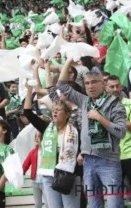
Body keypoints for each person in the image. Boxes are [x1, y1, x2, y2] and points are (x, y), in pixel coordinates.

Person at [57, 58, 127, 208]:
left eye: (94, 82)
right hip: (88, 160)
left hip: (109, 161)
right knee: (94, 205)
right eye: (87, 83)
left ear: (103, 84)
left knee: (114, 204)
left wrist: (100, 118)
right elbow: (61, 85)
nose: (90, 86)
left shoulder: (115, 104)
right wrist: (68, 61)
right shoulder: (84, 101)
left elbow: (121, 132)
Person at [24, 79, 81, 208]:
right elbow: (27, 112)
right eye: (53, 109)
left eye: (59, 110)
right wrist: (29, 89)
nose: (54, 112)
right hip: (48, 175)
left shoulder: (74, 129)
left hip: (69, 175)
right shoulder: (46, 127)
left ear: (67, 114)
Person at [105, 76, 131, 208]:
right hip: (111, 157)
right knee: (114, 196)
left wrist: (111, 120)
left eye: (117, 86)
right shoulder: (101, 106)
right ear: (106, 88)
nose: (115, 89)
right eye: (112, 86)